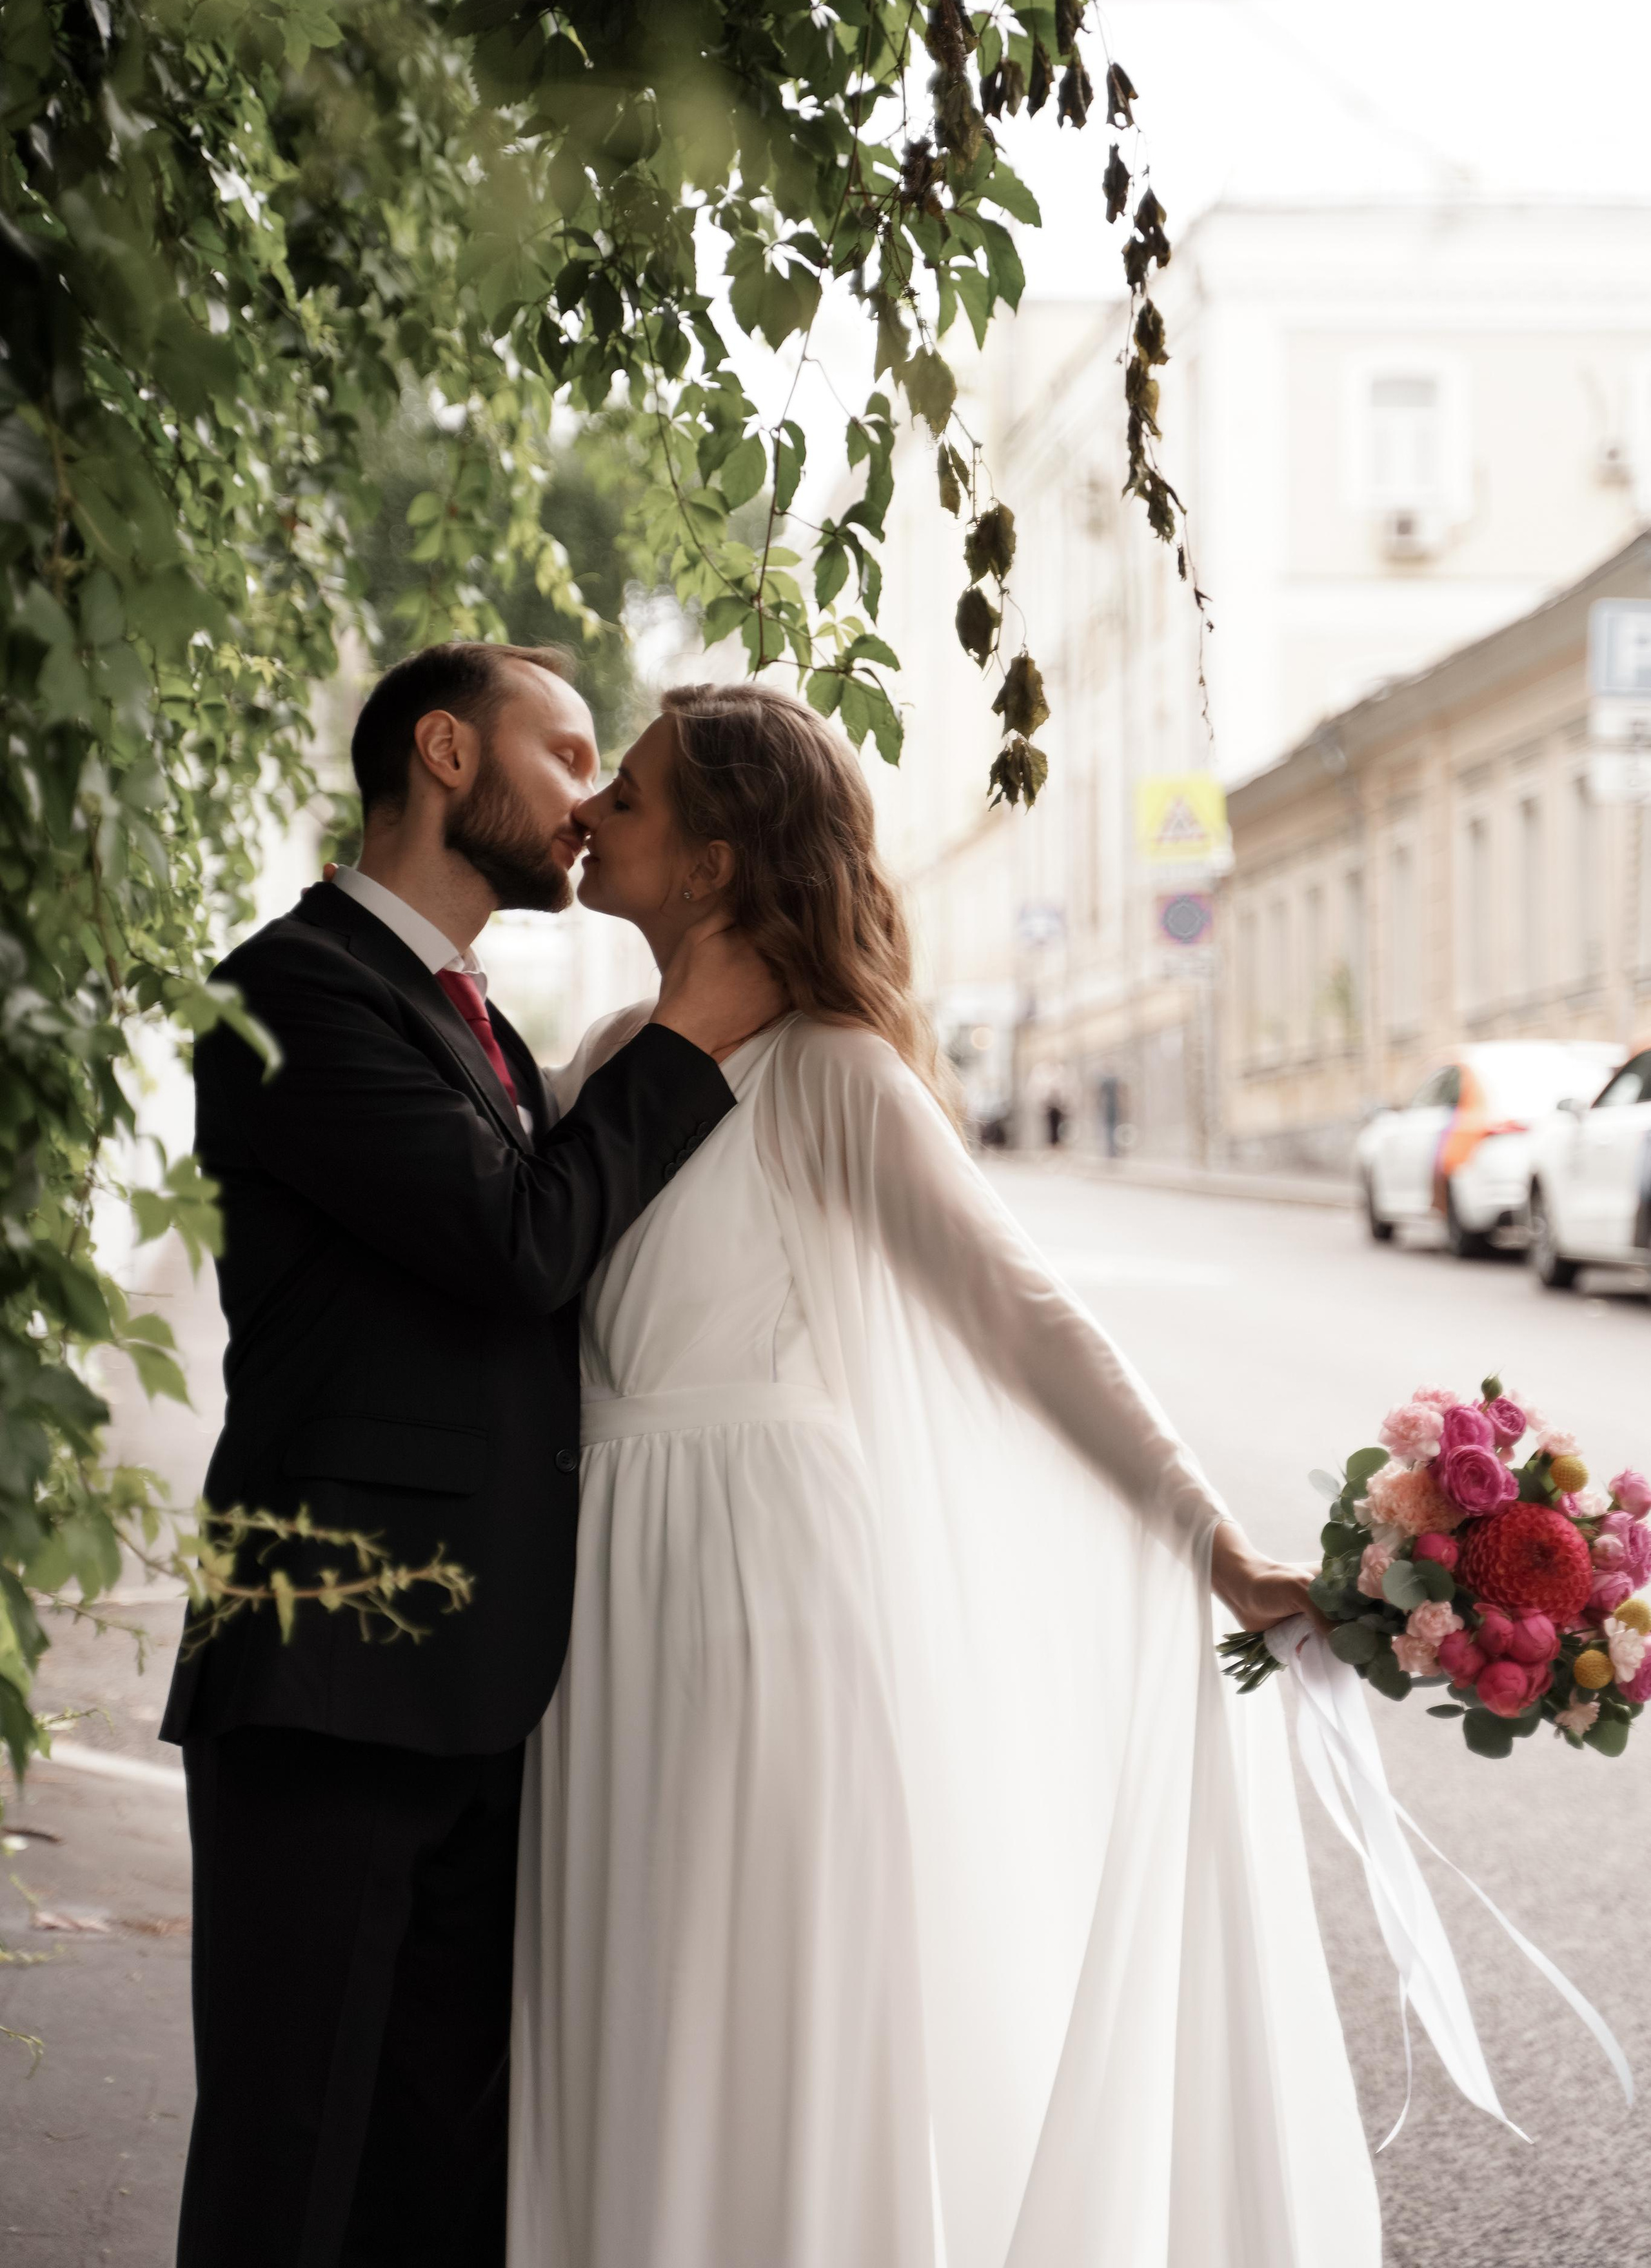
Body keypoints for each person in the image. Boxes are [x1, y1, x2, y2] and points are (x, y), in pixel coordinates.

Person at [508, 682, 1381, 2268]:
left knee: (750, 2009)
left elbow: (1021, 1317)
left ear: (711, 860)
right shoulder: (612, 1055)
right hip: (602, 1594)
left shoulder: (832, 1073)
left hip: (755, 1607)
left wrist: (1211, 1543)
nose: (588, 814)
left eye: (623, 794)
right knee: (620, 2004)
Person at [161, 642, 778, 2268]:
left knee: (441, 2173)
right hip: (331, 1659)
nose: (592, 797)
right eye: (566, 752)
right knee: (293, 2159)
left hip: (479, 1678)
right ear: (445, 752)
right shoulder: (289, 996)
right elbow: (520, 1245)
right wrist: (691, 1033)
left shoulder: (479, 1021)